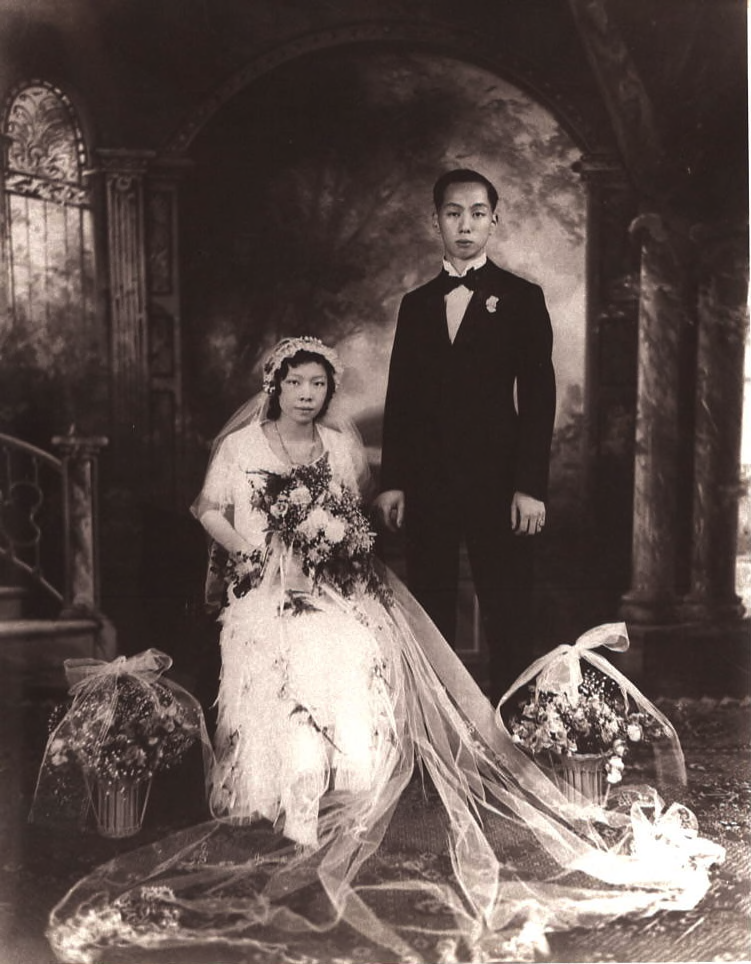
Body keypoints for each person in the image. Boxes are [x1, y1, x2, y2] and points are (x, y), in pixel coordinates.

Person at [42, 338, 722, 964]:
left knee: (350, 634)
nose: (306, 394)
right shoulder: (241, 448)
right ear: (273, 387)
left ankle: (340, 785)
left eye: (317, 384)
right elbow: (208, 510)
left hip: (332, 585)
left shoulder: (337, 447)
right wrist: (253, 553)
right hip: (259, 590)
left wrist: (331, 550)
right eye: (294, 383)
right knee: (282, 637)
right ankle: (282, 789)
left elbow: (347, 520)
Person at [375, 168, 556, 703]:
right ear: (436, 221)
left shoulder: (522, 298)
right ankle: (439, 731)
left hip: (500, 484)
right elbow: (400, 398)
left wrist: (530, 486)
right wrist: (393, 481)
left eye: (478, 213)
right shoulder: (417, 304)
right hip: (429, 484)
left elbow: (539, 398)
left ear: (494, 221)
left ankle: (515, 729)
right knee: (430, 605)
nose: (466, 225)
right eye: (453, 213)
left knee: (507, 607)